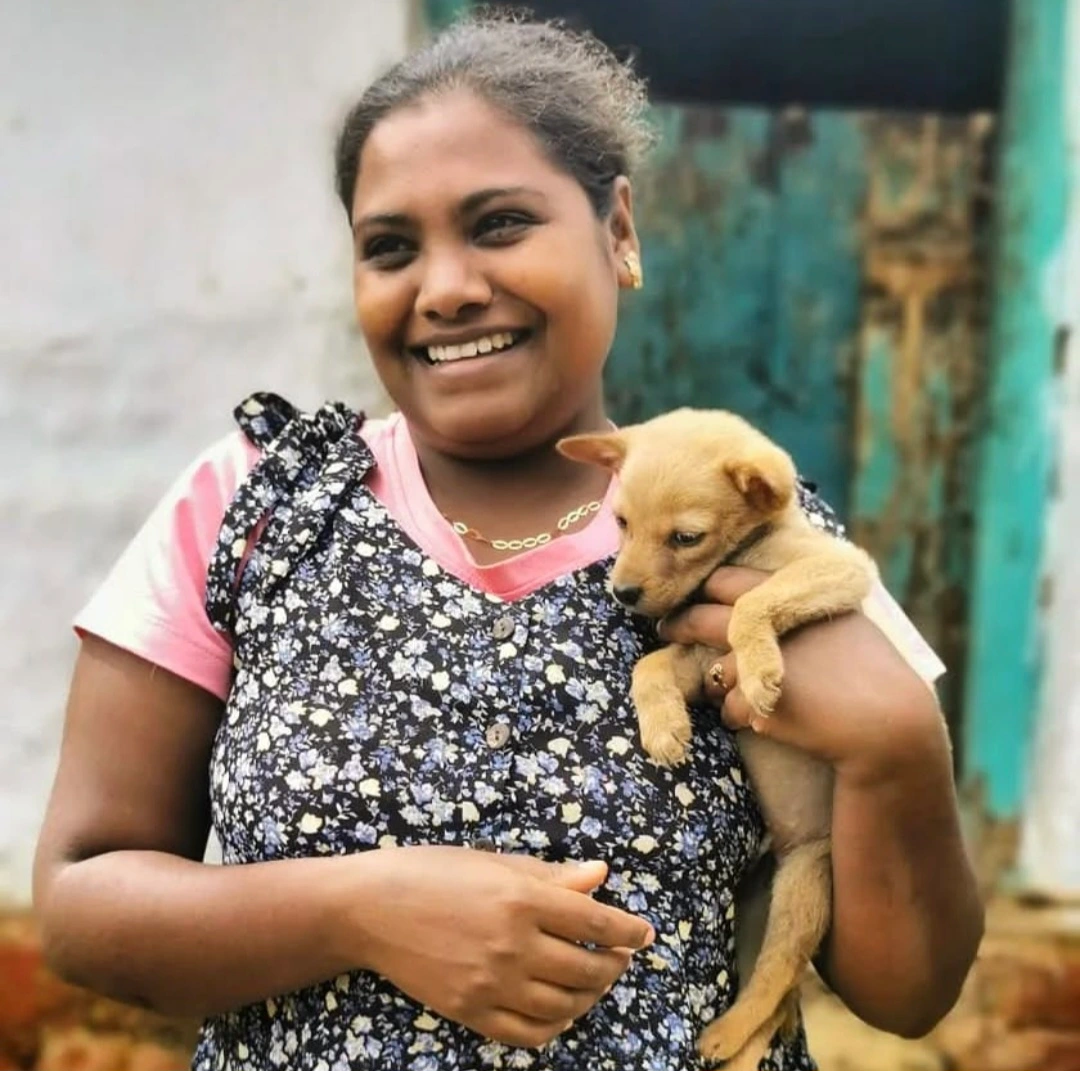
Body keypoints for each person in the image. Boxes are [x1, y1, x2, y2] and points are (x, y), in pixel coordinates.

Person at [33, 11, 983, 1071]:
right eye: (390, 248)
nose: (444, 288)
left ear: (618, 230)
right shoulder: (255, 505)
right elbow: (81, 901)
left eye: (499, 225)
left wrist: (898, 745)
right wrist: (359, 908)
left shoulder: (756, 525)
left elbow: (910, 994)